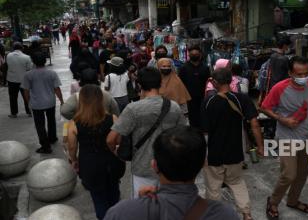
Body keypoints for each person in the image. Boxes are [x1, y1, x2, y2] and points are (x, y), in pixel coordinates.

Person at [104, 127, 239, 220]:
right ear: (203, 163)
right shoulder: (224, 215)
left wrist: (140, 205)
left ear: (154, 165)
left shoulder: (121, 213)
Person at [106, 67, 187, 197]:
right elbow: (184, 135)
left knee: (143, 208)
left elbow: (111, 139)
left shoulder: (133, 109)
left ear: (139, 85)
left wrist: (117, 152)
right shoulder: (174, 107)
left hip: (142, 168)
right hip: (169, 168)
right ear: (160, 83)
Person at [260, 56, 308, 218]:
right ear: (290, 73)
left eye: (306, 73)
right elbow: (264, 107)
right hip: (286, 137)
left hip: (307, 137)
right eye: (299, 74)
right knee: (289, 174)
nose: (303, 77)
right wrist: (283, 119)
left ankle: (293, 200)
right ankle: (273, 202)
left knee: (303, 173)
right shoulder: (279, 88)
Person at [202, 68, 264, 220]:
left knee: (213, 186)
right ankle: (247, 214)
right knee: (237, 182)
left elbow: (204, 131)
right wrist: (260, 146)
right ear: (231, 80)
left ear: (214, 82)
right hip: (236, 151)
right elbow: (254, 124)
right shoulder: (242, 99)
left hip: (214, 152)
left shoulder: (208, 101)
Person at [67, 85, 125, 220]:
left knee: (98, 198)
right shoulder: (113, 118)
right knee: (114, 193)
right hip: (112, 163)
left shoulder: (74, 123)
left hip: (89, 164)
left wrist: (74, 160)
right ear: (101, 100)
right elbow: (119, 141)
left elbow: (71, 146)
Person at [22, 52, 64, 154]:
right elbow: (57, 89)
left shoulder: (28, 75)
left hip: (37, 104)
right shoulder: (52, 73)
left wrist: (28, 102)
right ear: (45, 61)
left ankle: (45, 146)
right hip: (50, 102)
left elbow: (26, 91)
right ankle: (52, 138)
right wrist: (62, 101)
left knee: (39, 125)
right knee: (51, 120)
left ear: (34, 62)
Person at [178, 46, 210, 131]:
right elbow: (181, 83)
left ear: (200, 54)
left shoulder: (205, 68)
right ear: (189, 54)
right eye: (192, 53)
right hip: (189, 96)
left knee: (203, 113)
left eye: (196, 53)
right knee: (192, 115)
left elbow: (208, 81)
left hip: (203, 96)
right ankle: (194, 131)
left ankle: (203, 129)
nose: (194, 55)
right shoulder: (184, 68)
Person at [6, 42, 32, 118]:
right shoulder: (27, 57)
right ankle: (29, 111)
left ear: (13, 48)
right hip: (23, 80)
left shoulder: (8, 55)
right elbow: (29, 69)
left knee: (13, 97)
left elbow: (8, 65)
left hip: (11, 79)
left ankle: (14, 113)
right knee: (26, 96)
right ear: (22, 48)